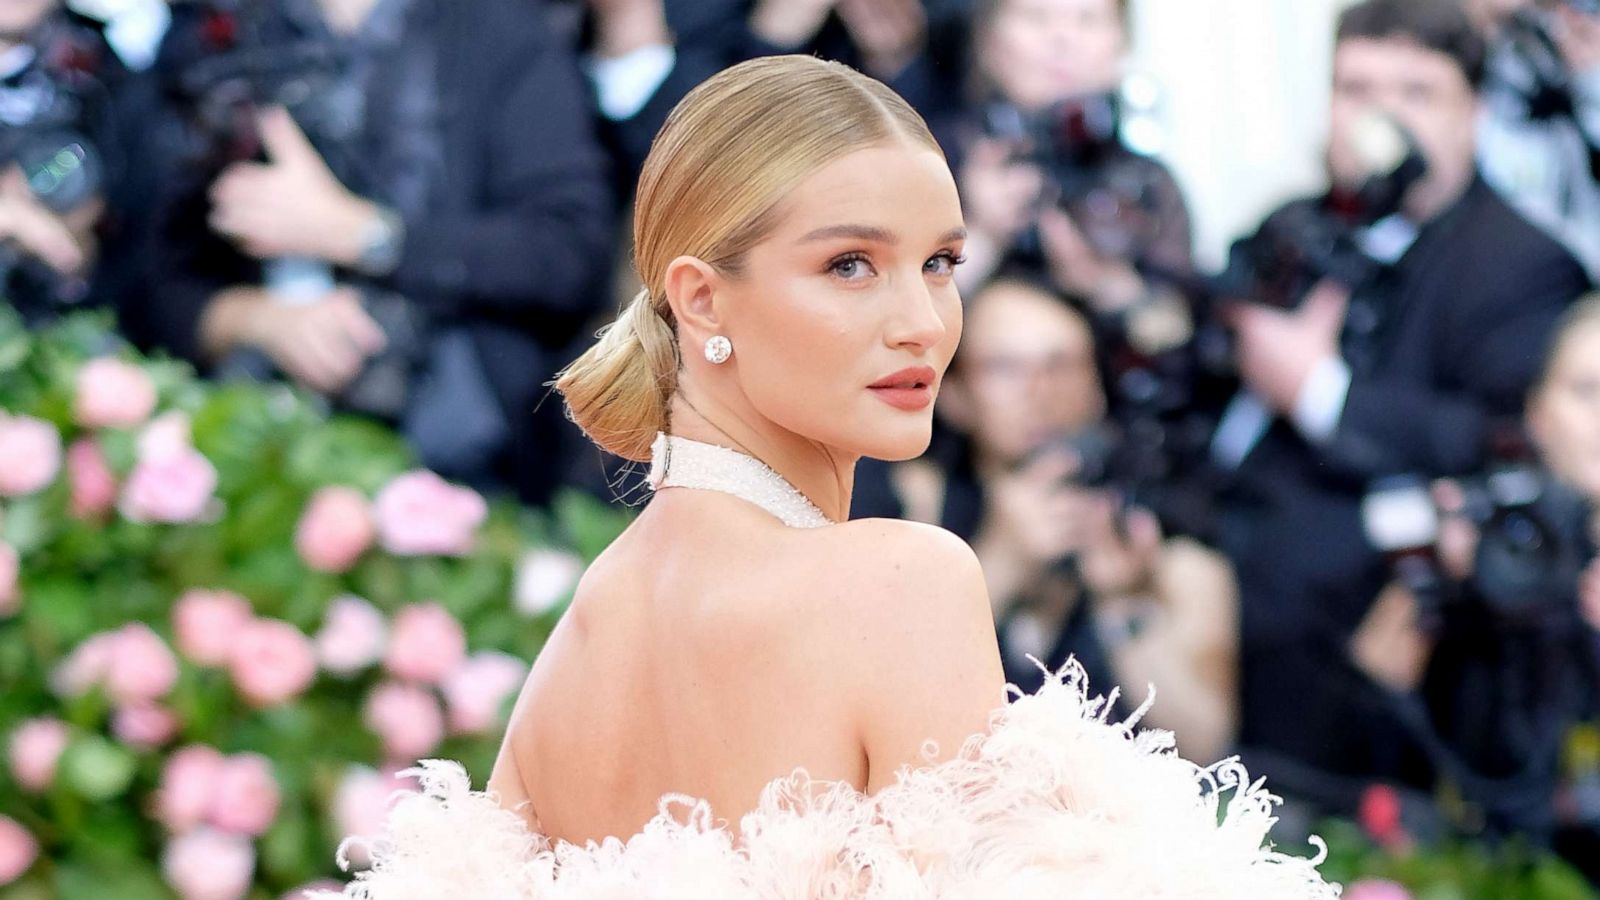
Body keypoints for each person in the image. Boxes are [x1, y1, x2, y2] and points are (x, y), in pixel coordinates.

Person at [312, 56, 1336, 897]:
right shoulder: (901, 580)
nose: (922, 323)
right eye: (850, 264)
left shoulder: (585, 631)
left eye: (940, 262)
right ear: (701, 302)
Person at [1216, 0, 1592, 806]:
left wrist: (1319, 389)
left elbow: (1503, 437)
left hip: (1361, 611)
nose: (1382, 114)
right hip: (1224, 558)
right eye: (1356, 89)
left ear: (1474, 112)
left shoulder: (1524, 265)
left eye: (1417, 93)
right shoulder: (1296, 226)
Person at [126, 0, 613, 506]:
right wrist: (256, 320)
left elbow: (569, 254)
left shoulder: (500, 32)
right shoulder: (216, 32)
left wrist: (362, 235)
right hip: (249, 459)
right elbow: (141, 276)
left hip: (466, 461)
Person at [855, 276, 1237, 762]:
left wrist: (1122, 601)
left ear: (1099, 386)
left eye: (1062, 364)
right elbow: (873, 702)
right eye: (1004, 367)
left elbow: (1205, 746)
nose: (1038, 391)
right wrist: (1002, 562)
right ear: (955, 394)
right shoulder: (910, 512)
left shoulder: (1163, 539)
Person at [1469, 0, 1600, 276]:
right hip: (1499, 262)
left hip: (1578, 258)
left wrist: (1590, 77)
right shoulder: (1439, 47)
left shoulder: (1548, 40)